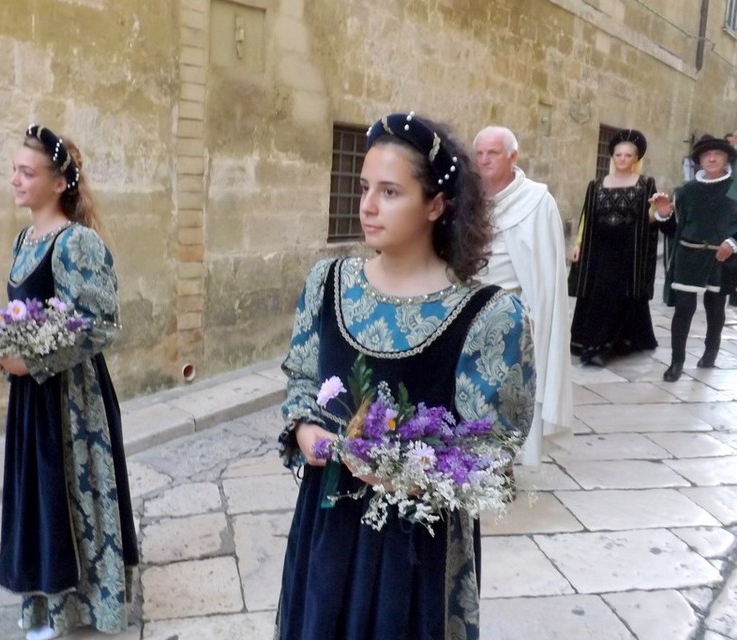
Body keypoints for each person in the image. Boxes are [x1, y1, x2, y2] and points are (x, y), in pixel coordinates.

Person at [275, 112, 536, 640]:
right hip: (326, 525)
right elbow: (301, 381)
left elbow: (494, 449)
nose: (368, 206)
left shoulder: (488, 315)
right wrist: (309, 434)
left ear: (436, 204)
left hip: (417, 549)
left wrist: (406, 471)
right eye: (365, 187)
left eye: (390, 191)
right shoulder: (327, 284)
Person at [0, 124, 139, 640]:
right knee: (39, 494)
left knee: (71, 493)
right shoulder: (25, 239)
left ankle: (82, 606)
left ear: (58, 183)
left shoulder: (75, 242)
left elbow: (99, 323)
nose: (14, 179)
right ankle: (46, 605)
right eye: (14, 169)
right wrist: (3, 344)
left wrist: (30, 361)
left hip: (71, 399)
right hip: (31, 399)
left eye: (26, 172)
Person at [472, 126, 572, 466]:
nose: (484, 160)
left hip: (512, 316)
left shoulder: (536, 201)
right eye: (480, 153)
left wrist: (533, 318)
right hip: (469, 312)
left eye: (493, 153)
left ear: (513, 156)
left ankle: (503, 465)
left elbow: (543, 274)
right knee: (473, 392)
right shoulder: (470, 198)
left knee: (506, 395)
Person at [568, 129, 659, 365]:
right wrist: (578, 245)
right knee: (597, 293)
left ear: (636, 159)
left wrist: (660, 210)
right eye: (618, 155)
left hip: (629, 252)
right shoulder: (597, 185)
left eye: (628, 155)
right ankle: (587, 342)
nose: (622, 159)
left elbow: (650, 218)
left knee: (620, 295)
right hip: (599, 251)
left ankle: (603, 347)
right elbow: (587, 216)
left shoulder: (645, 184)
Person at [652, 134, 737, 382]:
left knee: (715, 307)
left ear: (726, 159)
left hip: (722, 258)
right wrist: (665, 213)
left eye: (717, 154)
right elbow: (672, 230)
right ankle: (677, 361)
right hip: (689, 255)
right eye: (706, 154)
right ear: (699, 160)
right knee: (684, 309)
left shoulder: (734, 189)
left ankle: (711, 351)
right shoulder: (686, 191)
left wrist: (732, 242)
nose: (711, 158)